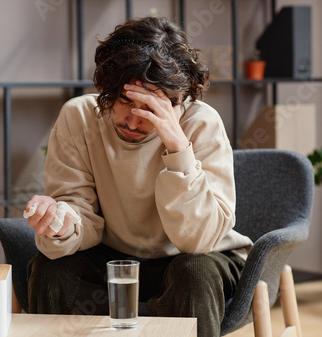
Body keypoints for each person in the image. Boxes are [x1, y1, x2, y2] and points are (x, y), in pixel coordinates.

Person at [24, 16, 253, 337]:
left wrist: (177, 146)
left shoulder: (202, 124)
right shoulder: (78, 117)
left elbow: (198, 240)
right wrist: (61, 225)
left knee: (194, 272)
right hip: (111, 255)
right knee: (52, 268)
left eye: (151, 108)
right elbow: (79, 210)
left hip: (198, 256)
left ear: (178, 101)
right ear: (106, 88)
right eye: (124, 100)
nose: (133, 120)